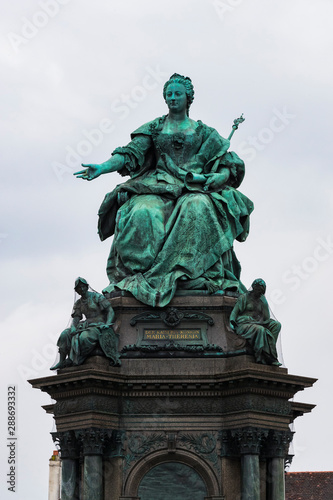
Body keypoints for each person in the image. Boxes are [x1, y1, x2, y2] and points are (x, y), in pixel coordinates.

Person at [74, 74, 254, 307]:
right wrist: (103, 167)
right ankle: (141, 278)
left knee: (198, 207)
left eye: (177, 93)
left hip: (193, 189)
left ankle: (187, 273)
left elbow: (229, 165)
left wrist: (216, 177)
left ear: (188, 98)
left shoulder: (204, 132)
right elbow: (130, 153)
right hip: (156, 186)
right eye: (169, 94)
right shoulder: (155, 128)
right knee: (141, 212)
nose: (172, 98)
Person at [51, 277, 120, 369]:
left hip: (99, 326)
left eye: (83, 286)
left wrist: (107, 324)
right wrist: (73, 327)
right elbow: (76, 318)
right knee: (64, 335)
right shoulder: (78, 303)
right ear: (77, 291)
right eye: (79, 288)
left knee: (84, 337)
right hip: (85, 326)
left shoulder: (97, 297)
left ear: (87, 287)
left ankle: (76, 359)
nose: (82, 289)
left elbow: (110, 311)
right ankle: (62, 361)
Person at [229, 278, 281, 366]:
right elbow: (235, 312)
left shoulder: (262, 300)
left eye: (261, 291)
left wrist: (264, 322)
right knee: (260, 330)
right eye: (258, 290)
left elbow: (266, 317)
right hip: (244, 324)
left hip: (258, 323)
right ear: (254, 288)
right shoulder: (244, 297)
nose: (259, 293)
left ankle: (270, 351)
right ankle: (264, 356)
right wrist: (231, 321)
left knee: (276, 325)